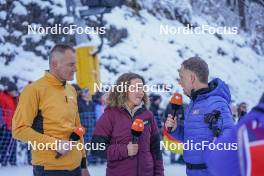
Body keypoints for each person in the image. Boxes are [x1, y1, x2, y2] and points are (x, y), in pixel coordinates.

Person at [12, 44, 90, 176]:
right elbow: (18, 130)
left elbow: (77, 128)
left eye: (75, 64)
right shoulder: (33, 90)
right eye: (71, 64)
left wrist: (83, 164)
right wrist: (55, 144)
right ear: (55, 64)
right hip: (50, 169)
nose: (76, 69)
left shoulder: (71, 90)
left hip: (76, 168)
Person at [165, 56, 234, 176]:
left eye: (182, 77)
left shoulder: (216, 103)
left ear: (192, 78)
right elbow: (192, 137)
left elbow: (230, 138)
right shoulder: (193, 104)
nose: (179, 82)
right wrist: (176, 129)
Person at [91, 73, 164, 176]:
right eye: (136, 88)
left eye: (142, 89)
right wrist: (124, 150)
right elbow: (96, 147)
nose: (141, 93)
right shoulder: (110, 115)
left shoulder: (148, 115)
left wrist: (159, 174)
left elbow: (156, 149)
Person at [205, 93, 264, 176]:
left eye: (245, 107)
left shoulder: (248, 120)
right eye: (243, 107)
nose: (244, 109)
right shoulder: (231, 117)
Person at [0, 81, 18, 166]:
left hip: (14, 125)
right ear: (10, 91)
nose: (16, 93)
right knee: (5, 144)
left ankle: (13, 161)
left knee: (13, 144)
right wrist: (7, 124)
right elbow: (4, 112)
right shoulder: (3, 97)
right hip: (6, 125)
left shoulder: (16, 98)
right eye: (14, 91)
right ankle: (3, 161)